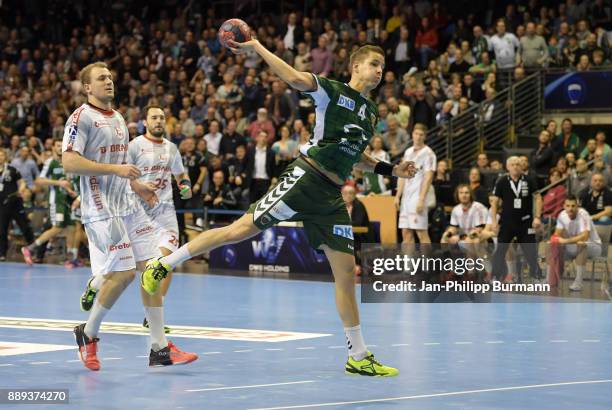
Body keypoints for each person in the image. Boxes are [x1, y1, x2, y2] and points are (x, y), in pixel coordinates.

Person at [141, 42, 418, 377]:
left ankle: (358, 355)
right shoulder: (331, 91)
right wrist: (257, 46)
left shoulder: (371, 112)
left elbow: (356, 157)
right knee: (239, 231)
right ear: (355, 66)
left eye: (383, 65)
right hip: (305, 178)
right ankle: (163, 264)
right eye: (374, 63)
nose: (380, 70)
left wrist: (391, 170)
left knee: (346, 273)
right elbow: (294, 77)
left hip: (331, 197)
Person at [62, 62, 197, 371]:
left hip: (128, 203)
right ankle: (88, 333)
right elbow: (69, 162)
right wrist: (118, 171)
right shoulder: (80, 118)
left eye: (110, 76)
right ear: (87, 87)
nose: (109, 81)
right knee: (123, 274)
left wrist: (137, 186)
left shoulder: (120, 118)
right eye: (101, 78)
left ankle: (159, 348)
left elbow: (123, 166)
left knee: (153, 270)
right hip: (101, 208)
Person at [20, 139, 79, 266]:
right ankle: (29, 248)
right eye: (57, 145)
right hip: (56, 201)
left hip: (68, 201)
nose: (59, 147)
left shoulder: (67, 162)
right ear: (53, 147)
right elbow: (39, 180)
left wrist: (70, 191)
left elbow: (68, 182)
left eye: (61, 145)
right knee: (57, 227)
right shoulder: (50, 162)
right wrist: (58, 183)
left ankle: (70, 258)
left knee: (72, 227)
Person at [490, 156, 543, 281]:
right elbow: (495, 201)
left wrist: (537, 217)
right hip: (507, 222)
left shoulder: (529, 180)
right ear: (508, 167)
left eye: (518, 164)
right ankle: (495, 277)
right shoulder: (502, 181)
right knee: (500, 250)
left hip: (525, 222)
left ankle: (536, 276)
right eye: (512, 164)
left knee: (530, 251)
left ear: (522, 167)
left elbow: (538, 197)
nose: (515, 166)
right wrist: (493, 221)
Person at [396, 123, 436, 244]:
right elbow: (402, 175)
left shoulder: (429, 153)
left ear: (425, 136)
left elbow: (428, 178)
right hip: (406, 199)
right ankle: (409, 263)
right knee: (406, 233)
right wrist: (398, 195)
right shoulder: (408, 152)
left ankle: (427, 263)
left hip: (418, 197)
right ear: (412, 135)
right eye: (416, 134)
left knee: (421, 233)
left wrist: (422, 199)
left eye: (421, 134)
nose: (418, 137)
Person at [553, 196, 602, 291]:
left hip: (594, 246)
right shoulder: (562, 215)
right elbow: (557, 234)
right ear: (564, 206)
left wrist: (565, 241)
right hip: (573, 246)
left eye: (573, 206)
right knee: (552, 246)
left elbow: (585, 236)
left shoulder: (584, 215)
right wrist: (556, 240)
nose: (570, 208)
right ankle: (551, 280)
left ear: (577, 206)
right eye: (568, 206)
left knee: (581, 244)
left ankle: (578, 283)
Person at [0, 149, 34, 261]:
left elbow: (22, 182)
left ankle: (33, 249)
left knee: (25, 226)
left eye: (2, 155)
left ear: (5, 157)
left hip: (15, 203)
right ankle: (2, 254)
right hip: (2, 205)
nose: (0, 157)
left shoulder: (11, 169)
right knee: (2, 229)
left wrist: (22, 189)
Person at [246, 130, 277, 203]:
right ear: (257, 138)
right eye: (261, 136)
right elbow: (245, 164)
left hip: (266, 182)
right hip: (253, 181)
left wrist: (274, 177)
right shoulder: (250, 151)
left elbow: (273, 167)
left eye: (265, 137)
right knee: (252, 205)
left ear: (267, 139)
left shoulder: (271, 152)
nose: (263, 138)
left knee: (265, 205)